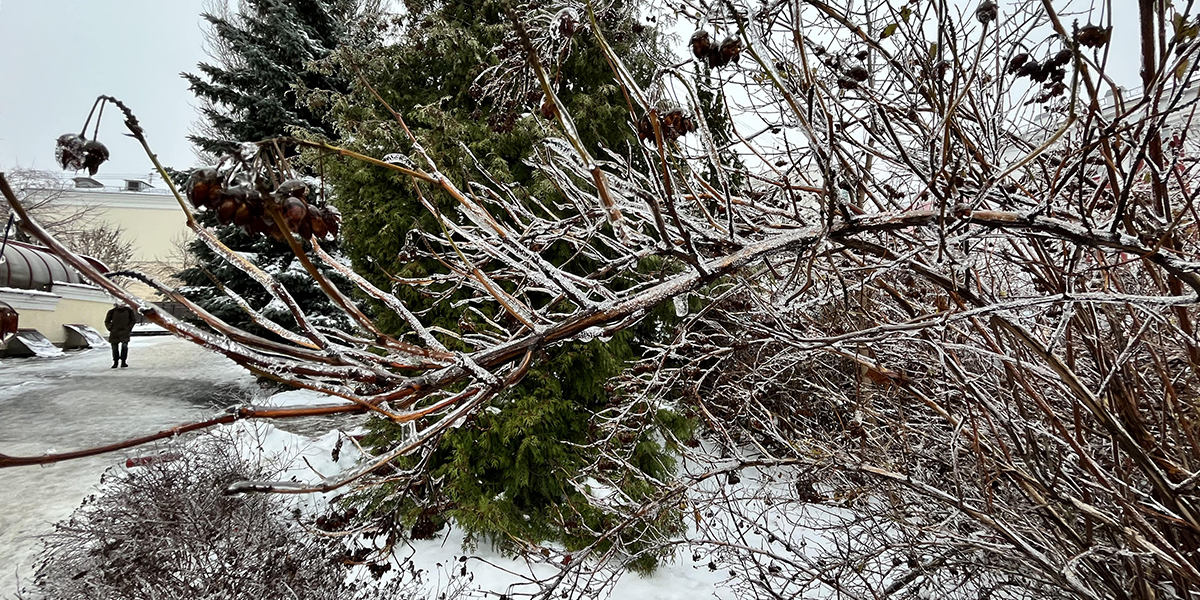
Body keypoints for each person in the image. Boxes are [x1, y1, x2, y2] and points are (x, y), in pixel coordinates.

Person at [104, 302, 136, 368]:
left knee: (124, 346)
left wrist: (129, 327)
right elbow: (107, 321)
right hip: (114, 332)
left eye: (123, 303)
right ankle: (115, 362)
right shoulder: (112, 311)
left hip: (125, 332)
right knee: (114, 348)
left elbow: (133, 320)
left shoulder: (129, 311)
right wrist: (110, 327)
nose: (121, 305)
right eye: (120, 304)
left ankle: (123, 362)